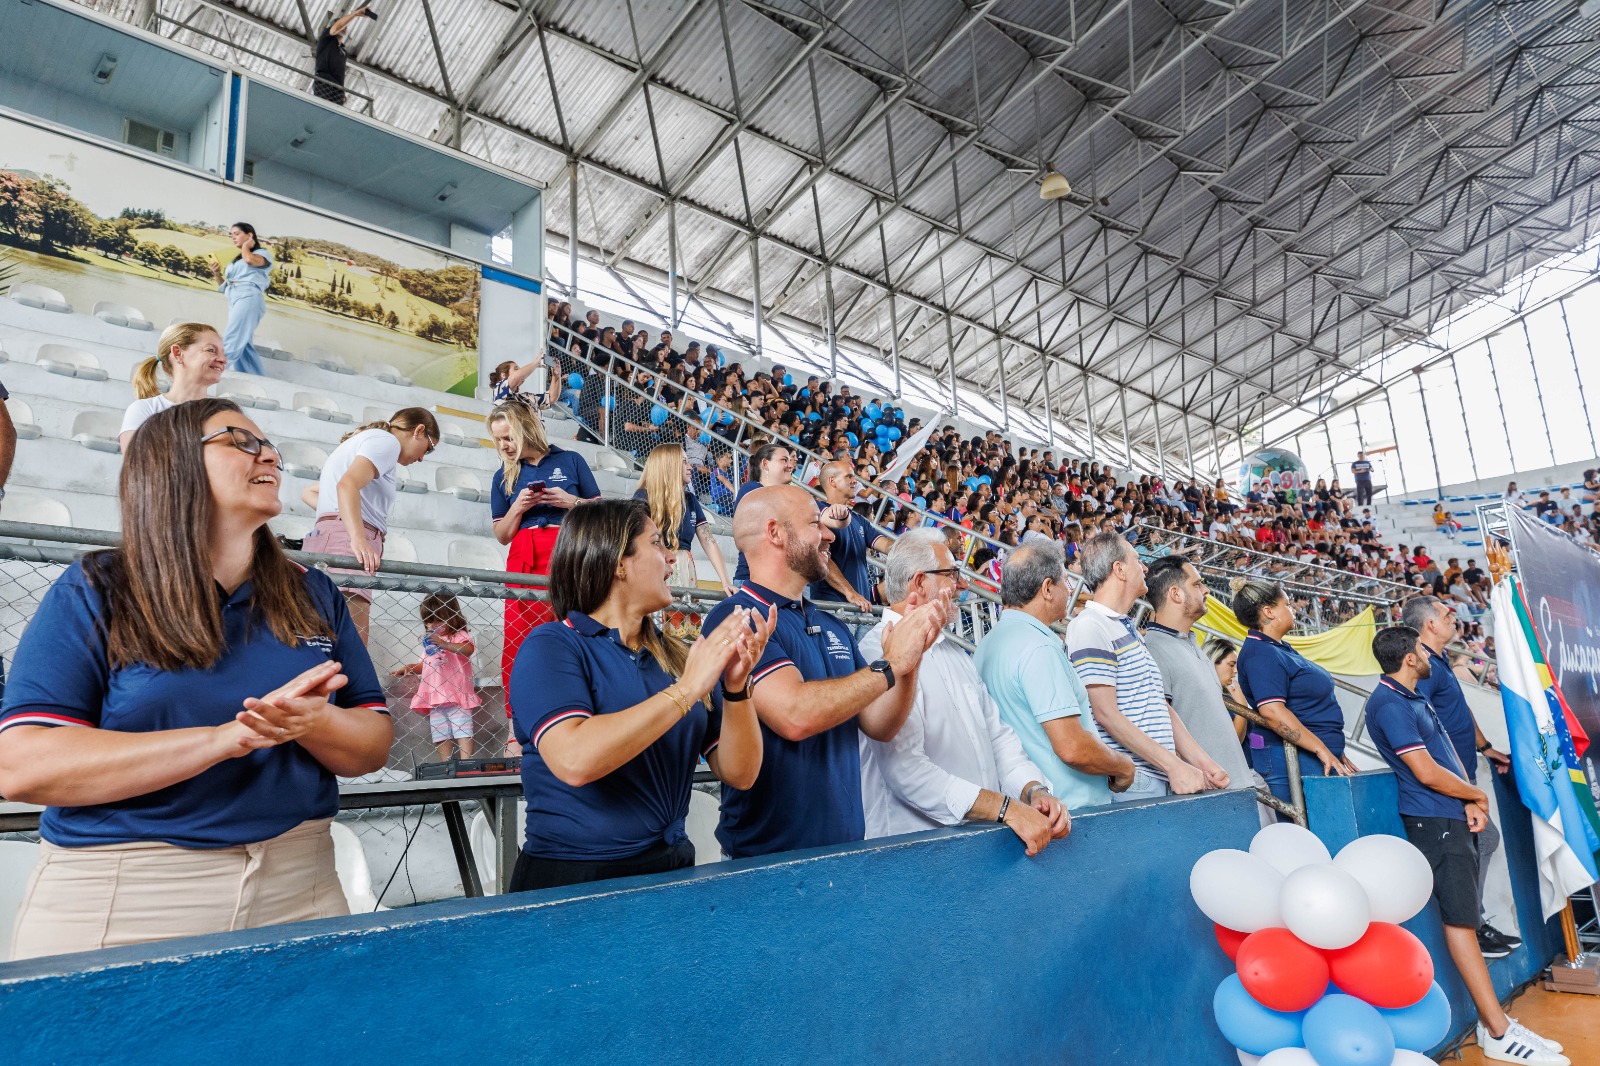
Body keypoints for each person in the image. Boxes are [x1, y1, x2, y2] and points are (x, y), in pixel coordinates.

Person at [0, 399, 392, 960]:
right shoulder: (98, 586)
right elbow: (22, 766)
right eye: (239, 439)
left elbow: (371, 744)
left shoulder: (314, 591)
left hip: (300, 883)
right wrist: (223, 740)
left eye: (271, 445)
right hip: (128, 894)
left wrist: (313, 721)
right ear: (171, 463)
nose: (271, 455)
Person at [507, 498, 772, 890]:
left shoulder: (678, 656)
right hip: (574, 880)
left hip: (671, 870)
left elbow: (741, 773)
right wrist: (685, 692)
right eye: (657, 544)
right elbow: (574, 758)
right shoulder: (552, 646)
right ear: (618, 562)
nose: (671, 558)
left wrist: (736, 688)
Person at [702, 485, 948, 859]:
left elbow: (879, 725)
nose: (830, 534)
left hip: (843, 850)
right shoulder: (737, 617)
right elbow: (795, 715)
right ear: (775, 533)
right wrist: (891, 664)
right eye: (816, 523)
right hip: (768, 860)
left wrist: (911, 654)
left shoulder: (830, 625)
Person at [1364, 627, 1567, 1066]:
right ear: (1408, 657)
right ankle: (1496, 1030)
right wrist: (1475, 796)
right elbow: (1425, 771)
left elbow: (1446, 758)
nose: (1427, 654)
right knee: (1460, 923)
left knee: (1466, 920)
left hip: (1450, 813)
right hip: (1431, 818)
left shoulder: (1412, 696)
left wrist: (1467, 799)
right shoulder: (1387, 702)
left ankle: (1500, 1025)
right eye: (1420, 648)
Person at [858, 530, 1070, 852]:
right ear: (919, 583)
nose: (963, 585)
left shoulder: (953, 653)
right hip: (912, 854)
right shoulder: (874, 651)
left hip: (972, 846)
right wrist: (1005, 809)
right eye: (953, 575)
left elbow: (997, 738)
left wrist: (1034, 791)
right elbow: (907, 771)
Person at [1400, 595, 1519, 958]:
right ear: (1430, 624)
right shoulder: (1422, 666)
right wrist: (1458, 783)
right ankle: (1473, 926)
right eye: (1446, 614)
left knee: (1482, 842)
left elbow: (1458, 708)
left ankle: (1476, 922)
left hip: (1462, 773)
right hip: (1447, 782)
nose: (1455, 617)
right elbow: (1424, 723)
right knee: (1484, 840)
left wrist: (1485, 747)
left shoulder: (1439, 660)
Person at [973, 543, 1135, 810]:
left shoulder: (989, 644)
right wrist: (1122, 766)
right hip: (1068, 810)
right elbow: (1072, 746)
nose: (1071, 590)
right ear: (1047, 588)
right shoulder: (1039, 648)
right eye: (1066, 581)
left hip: (1029, 806)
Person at [1067, 533, 1221, 803]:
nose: (1145, 568)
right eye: (1137, 560)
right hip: (1136, 779)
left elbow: (1159, 705)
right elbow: (1105, 714)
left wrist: (1203, 763)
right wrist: (1173, 765)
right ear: (1120, 569)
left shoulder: (1125, 627)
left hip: (1156, 773)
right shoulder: (1091, 625)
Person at [487, 402, 601, 714]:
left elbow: (600, 512)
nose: (504, 446)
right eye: (498, 440)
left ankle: (580, 712)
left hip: (568, 552)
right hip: (524, 554)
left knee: (575, 631)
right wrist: (518, 508)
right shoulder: (503, 475)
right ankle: (517, 722)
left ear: (526, 429)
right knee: (518, 638)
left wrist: (570, 501)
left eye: (508, 437)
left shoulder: (571, 459)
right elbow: (501, 534)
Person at [302, 408, 439, 643]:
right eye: (428, 448)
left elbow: (310, 492)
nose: (421, 458)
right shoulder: (387, 442)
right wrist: (356, 536)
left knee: (320, 641)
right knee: (352, 644)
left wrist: (342, 519)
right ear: (419, 430)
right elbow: (347, 485)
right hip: (347, 542)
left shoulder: (368, 440)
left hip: (330, 537)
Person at [1232, 578, 1355, 808]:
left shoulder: (1277, 647)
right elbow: (1273, 712)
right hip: (1292, 759)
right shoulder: (1262, 653)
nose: (1293, 609)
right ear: (1269, 612)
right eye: (1287, 604)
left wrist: (1330, 746)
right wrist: (1321, 748)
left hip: (1309, 758)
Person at [1141, 557, 1249, 790]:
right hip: (1208, 793)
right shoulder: (1153, 649)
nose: (1206, 590)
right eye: (1197, 584)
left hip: (1233, 787)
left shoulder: (1193, 644)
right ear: (1176, 594)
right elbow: (1162, 730)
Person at [634, 442, 735, 597]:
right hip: (653, 567)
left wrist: (725, 581)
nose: (690, 467)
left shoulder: (690, 500)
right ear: (669, 465)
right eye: (684, 462)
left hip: (684, 568)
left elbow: (709, 541)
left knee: (683, 620)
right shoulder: (643, 497)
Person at [391, 591, 481, 762]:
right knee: (440, 733)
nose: (432, 625)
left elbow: (468, 649)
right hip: (435, 695)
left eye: (438, 620)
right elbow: (426, 664)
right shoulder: (431, 642)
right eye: (428, 621)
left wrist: (446, 644)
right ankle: (446, 763)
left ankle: (466, 762)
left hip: (456, 693)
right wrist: (410, 667)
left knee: (463, 729)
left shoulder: (458, 636)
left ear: (452, 616)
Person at [119, 322, 227, 451]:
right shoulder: (144, 409)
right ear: (178, 353)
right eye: (211, 350)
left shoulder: (224, 415)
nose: (223, 359)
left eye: (223, 353)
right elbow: (137, 465)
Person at [810, 459, 894, 611]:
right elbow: (820, 558)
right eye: (849, 476)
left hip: (861, 606)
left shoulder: (859, 520)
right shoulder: (817, 510)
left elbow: (887, 545)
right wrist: (850, 592)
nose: (855, 481)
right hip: (835, 607)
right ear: (832, 481)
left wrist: (912, 544)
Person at [208, 222, 272, 376]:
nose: (233, 238)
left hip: (249, 297)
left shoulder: (262, 254)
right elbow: (224, 286)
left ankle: (213, 372)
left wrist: (246, 246)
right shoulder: (236, 260)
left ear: (249, 235)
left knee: (233, 336)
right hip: (234, 297)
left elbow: (250, 260)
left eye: (236, 234)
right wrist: (217, 273)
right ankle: (256, 378)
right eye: (231, 235)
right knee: (244, 344)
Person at [730, 441, 797, 582]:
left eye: (790, 460)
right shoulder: (751, 490)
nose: (791, 465)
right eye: (784, 460)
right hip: (754, 580)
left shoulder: (788, 495)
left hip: (781, 580)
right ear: (765, 463)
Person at [311, 6, 374, 105]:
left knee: (333, 116)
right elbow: (337, 27)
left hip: (338, 89)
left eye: (346, 27)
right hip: (324, 81)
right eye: (343, 25)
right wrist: (355, 14)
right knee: (321, 109)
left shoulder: (343, 51)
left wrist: (341, 91)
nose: (344, 28)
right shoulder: (326, 39)